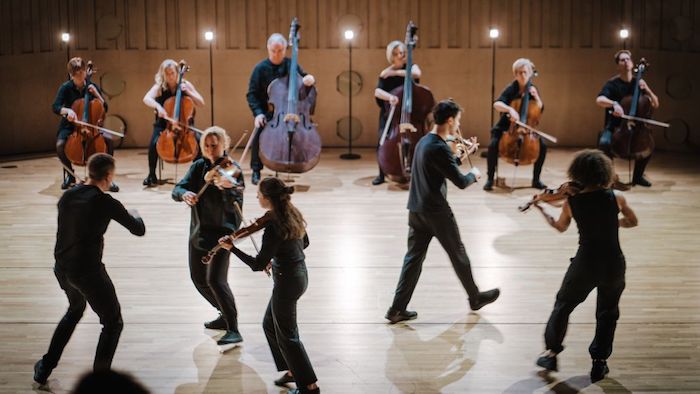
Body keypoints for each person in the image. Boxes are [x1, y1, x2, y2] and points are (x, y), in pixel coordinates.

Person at [33, 153, 146, 386]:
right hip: (87, 273)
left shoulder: (67, 196)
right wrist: (135, 213)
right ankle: (100, 384)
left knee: (75, 310)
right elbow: (138, 229)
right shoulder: (106, 202)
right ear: (108, 176)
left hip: (62, 268)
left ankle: (44, 368)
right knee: (113, 323)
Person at [385, 99, 500, 324]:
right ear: (449, 120)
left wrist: (461, 155)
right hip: (436, 213)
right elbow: (460, 180)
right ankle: (475, 298)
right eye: (457, 120)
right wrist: (474, 174)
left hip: (416, 210)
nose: (458, 124)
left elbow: (441, 166)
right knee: (458, 254)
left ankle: (396, 309)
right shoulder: (438, 147)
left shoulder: (425, 142)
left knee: (413, 261)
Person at [533, 149, 638, 382]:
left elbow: (560, 227)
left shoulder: (572, 201)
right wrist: (610, 224)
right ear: (605, 172)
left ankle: (551, 352)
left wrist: (541, 207)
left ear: (577, 173)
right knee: (608, 313)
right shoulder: (616, 198)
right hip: (613, 264)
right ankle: (599, 363)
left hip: (585, 264)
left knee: (563, 305)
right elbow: (633, 221)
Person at [218, 177, 320, 394]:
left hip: (287, 283)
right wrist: (279, 257)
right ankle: (294, 370)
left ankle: (309, 386)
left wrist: (231, 248)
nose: (257, 197)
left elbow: (257, 265)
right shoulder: (292, 213)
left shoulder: (273, 226)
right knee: (269, 324)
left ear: (267, 198)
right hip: (299, 276)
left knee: (288, 335)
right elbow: (306, 243)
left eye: (259, 194)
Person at [171, 126, 245, 346]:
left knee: (216, 280)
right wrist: (185, 194)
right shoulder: (198, 167)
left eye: (215, 145)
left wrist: (228, 187)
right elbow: (177, 189)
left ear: (224, 145)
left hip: (223, 234)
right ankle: (224, 313)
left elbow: (237, 200)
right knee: (198, 279)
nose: (211, 149)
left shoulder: (232, 169)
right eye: (207, 145)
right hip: (199, 232)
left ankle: (233, 328)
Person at [246, 33, 316, 185]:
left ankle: (292, 163)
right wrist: (257, 114)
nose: (277, 54)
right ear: (268, 49)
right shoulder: (260, 69)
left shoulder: (292, 65)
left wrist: (309, 80)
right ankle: (256, 170)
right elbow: (251, 94)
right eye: (273, 51)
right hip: (268, 113)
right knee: (259, 132)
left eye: (280, 51)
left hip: (291, 112)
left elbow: (305, 82)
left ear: (285, 49)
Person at [52, 57, 119, 192]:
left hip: (92, 126)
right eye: (77, 74)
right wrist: (67, 111)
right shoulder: (65, 88)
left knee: (109, 141)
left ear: (85, 71)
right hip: (71, 127)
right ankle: (71, 176)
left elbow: (104, 107)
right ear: (71, 75)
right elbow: (55, 106)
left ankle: (107, 177)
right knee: (60, 146)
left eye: (82, 73)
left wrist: (97, 95)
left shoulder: (92, 87)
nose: (81, 76)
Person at [595, 50, 660, 187]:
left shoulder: (639, 83)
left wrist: (647, 89)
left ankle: (637, 177)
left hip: (637, 127)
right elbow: (599, 100)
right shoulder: (612, 84)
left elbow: (655, 103)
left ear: (631, 63)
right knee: (604, 143)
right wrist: (614, 103)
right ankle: (609, 177)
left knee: (649, 145)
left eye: (628, 59)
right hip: (615, 126)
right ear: (618, 65)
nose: (626, 62)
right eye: (622, 60)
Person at [484, 58, 547, 191]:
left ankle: (536, 179)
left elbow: (539, 110)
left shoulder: (533, 90)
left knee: (543, 146)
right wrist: (510, 109)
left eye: (524, 72)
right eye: (518, 73)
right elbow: (497, 104)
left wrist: (537, 98)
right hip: (507, 128)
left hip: (528, 129)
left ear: (530, 73)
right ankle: (490, 178)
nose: (522, 75)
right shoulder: (511, 89)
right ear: (515, 74)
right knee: (493, 145)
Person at [142, 59, 205, 186]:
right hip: (164, 125)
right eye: (167, 74)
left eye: (173, 73)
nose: (170, 76)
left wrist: (189, 92)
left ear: (177, 73)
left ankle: (198, 174)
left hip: (185, 127)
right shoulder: (160, 86)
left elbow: (201, 102)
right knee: (154, 143)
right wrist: (158, 107)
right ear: (163, 74)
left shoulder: (185, 84)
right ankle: (151, 174)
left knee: (199, 143)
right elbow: (146, 98)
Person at [372, 40, 422, 185]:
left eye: (402, 52)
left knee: (415, 142)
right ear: (392, 56)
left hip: (409, 114)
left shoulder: (411, 67)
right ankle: (381, 174)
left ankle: (414, 171)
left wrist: (396, 72)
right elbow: (378, 92)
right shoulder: (385, 73)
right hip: (391, 115)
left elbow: (417, 74)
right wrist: (390, 97)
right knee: (382, 142)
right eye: (398, 53)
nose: (401, 55)